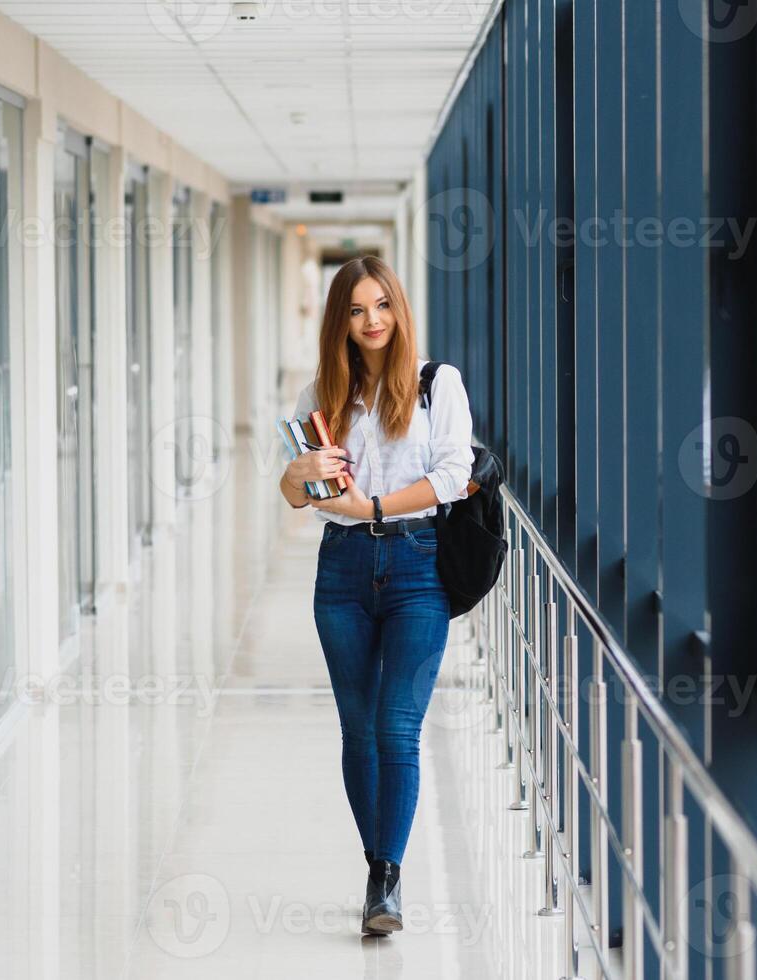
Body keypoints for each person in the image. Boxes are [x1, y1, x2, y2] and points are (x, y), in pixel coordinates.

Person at [280, 255, 474, 937]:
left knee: (398, 726)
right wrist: (299, 474)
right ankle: (377, 861)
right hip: (341, 573)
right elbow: (300, 498)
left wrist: (374, 507)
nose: (372, 322)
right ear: (341, 319)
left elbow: (454, 475)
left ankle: (385, 877)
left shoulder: (435, 384)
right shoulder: (319, 395)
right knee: (359, 730)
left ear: (399, 310)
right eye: (358, 310)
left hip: (419, 565)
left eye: (382, 306)